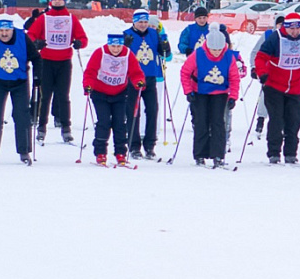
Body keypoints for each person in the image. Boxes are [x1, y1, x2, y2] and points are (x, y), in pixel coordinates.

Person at [0, 16, 42, 165]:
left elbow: (36, 58)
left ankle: (24, 152)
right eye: (1, 30)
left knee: (21, 115)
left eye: (7, 30)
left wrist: (37, 77)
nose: (4, 34)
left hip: (19, 82)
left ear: (12, 29)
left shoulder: (23, 38)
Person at [254, 12, 300, 164]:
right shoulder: (275, 38)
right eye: (291, 29)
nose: (295, 32)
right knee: (276, 120)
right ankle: (274, 152)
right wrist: (261, 72)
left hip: (294, 87)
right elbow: (261, 57)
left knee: (294, 120)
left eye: (297, 28)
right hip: (273, 85)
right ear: (285, 27)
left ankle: (291, 153)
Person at [27, 0, 88, 144]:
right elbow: (30, 35)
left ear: (64, 1)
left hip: (64, 62)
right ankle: (42, 128)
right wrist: (36, 43)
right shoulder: (44, 18)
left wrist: (79, 43)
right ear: (51, 1)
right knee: (45, 96)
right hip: (46, 61)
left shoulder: (71, 18)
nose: (57, 1)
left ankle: (66, 128)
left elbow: (83, 37)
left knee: (63, 96)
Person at [181, 23, 240, 167]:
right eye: (213, 49)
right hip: (200, 92)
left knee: (218, 123)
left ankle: (218, 155)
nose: (216, 52)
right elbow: (185, 73)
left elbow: (234, 77)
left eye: (219, 49)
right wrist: (188, 91)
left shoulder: (228, 56)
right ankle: (200, 155)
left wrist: (233, 96)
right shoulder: (198, 54)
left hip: (220, 93)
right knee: (201, 122)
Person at [82, 34, 145, 166]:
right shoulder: (100, 53)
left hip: (119, 93)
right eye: (113, 46)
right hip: (100, 93)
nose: (115, 49)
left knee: (120, 124)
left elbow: (135, 72)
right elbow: (90, 72)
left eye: (118, 46)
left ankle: (120, 152)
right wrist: (88, 85)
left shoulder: (128, 54)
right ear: (108, 44)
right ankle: (100, 153)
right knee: (104, 122)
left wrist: (139, 82)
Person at [123, 9, 171, 159]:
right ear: (134, 22)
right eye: (140, 22)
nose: (143, 25)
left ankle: (150, 145)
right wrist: (125, 45)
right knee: (133, 112)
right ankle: (134, 145)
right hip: (132, 79)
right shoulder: (126, 34)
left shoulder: (153, 33)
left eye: (145, 22)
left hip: (150, 77)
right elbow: (117, 54)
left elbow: (166, 55)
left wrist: (165, 47)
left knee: (152, 110)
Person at [249, 15, 285, 137]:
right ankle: (261, 119)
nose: (281, 26)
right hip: (268, 71)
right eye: (279, 24)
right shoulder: (268, 34)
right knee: (265, 95)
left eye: (284, 24)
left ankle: (282, 123)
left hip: (284, 72)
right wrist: (254, 67)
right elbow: (255, 51)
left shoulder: (290, 36)